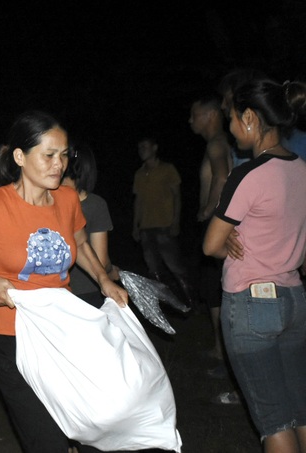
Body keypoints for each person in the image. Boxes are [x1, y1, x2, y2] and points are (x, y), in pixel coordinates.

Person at [0, 111, 128, 452]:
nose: (58, 164)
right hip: (16, 339)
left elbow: (79, 244)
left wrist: (104, 281)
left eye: (64, 155)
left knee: (93, 431)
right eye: (48, 155)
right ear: (20, 157)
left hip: (65, 333)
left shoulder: (65, 198)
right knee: (45, 441)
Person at [203, 78, 306, 453]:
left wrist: (230, 233)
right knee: (300, 409)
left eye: (231, 118)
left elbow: (211, 244)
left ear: (249, 117)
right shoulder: (302, 169)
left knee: (274, 419)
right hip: (294, 298)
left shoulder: (247, 173)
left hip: (252, 304)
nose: (230, 128)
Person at [189, 94, 233, 363]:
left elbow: (222, 174)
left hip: (217, 223)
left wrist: (207, 211)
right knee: (214, 289)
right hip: (221, 222)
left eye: (195, 114)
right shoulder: (218, 143)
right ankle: (221, 350)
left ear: (211, 115)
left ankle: (224, 353)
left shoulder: (216, 143)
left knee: (215, 290)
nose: (190, 120)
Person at [131, 136, 195, 307]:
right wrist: (135, 225)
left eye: (145, 146)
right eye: (140, 147)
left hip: (164, 225)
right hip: (146, 226)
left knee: (174, 266)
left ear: (154, 148)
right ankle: (165, 304)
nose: (142, 150)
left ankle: (190, 301)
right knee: (153, 269)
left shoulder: (167, 169)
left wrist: (176, 221)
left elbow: (177, 196)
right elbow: (138, 201)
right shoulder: (139, 173)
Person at [62, 141, 120, 308]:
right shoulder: (95, 204)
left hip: (54, 292)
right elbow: (101, 260)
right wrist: (111, 271)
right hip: (88, 291)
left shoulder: (45, 199)